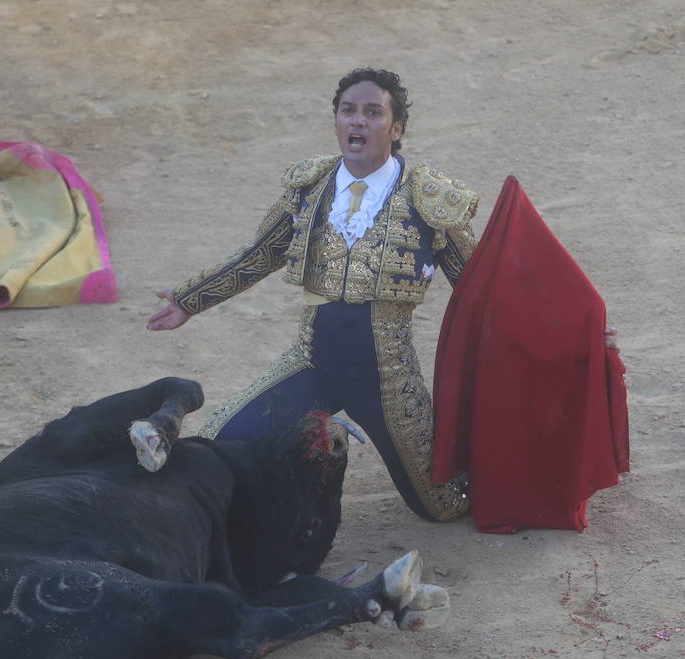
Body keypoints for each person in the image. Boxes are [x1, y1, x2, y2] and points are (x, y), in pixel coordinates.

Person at [147, 68, 476, 521]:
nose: (357, 121)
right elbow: (261, 254)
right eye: (348, 111)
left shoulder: (428, 198)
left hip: (387, 376)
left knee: (442, 504)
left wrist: (569, 328)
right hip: (313, 361)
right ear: (337, 121)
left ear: (395, 128)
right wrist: (190, 299)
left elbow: (482, 285)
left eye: (373, 112)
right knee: (218, 444)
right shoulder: (311, 186)